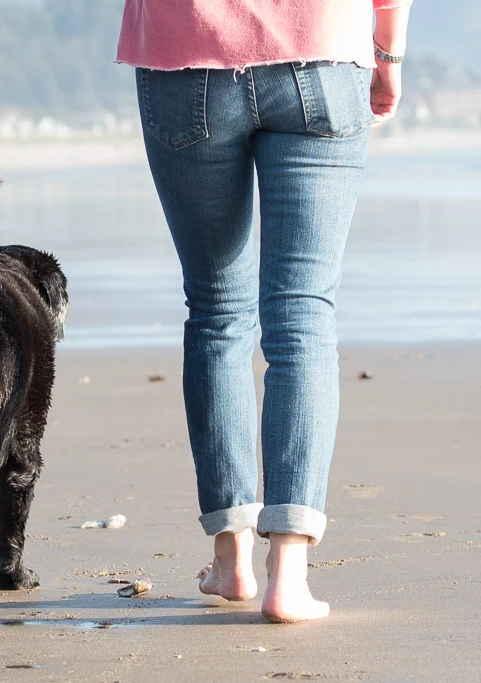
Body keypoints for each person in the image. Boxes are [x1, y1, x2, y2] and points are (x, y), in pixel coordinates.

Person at [117, 0, 413, 622]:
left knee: (218, 313)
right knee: (301, 315)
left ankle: (231, 560)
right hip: (324, 50)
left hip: (186, 54)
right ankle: (290, 575)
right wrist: (387, 51)